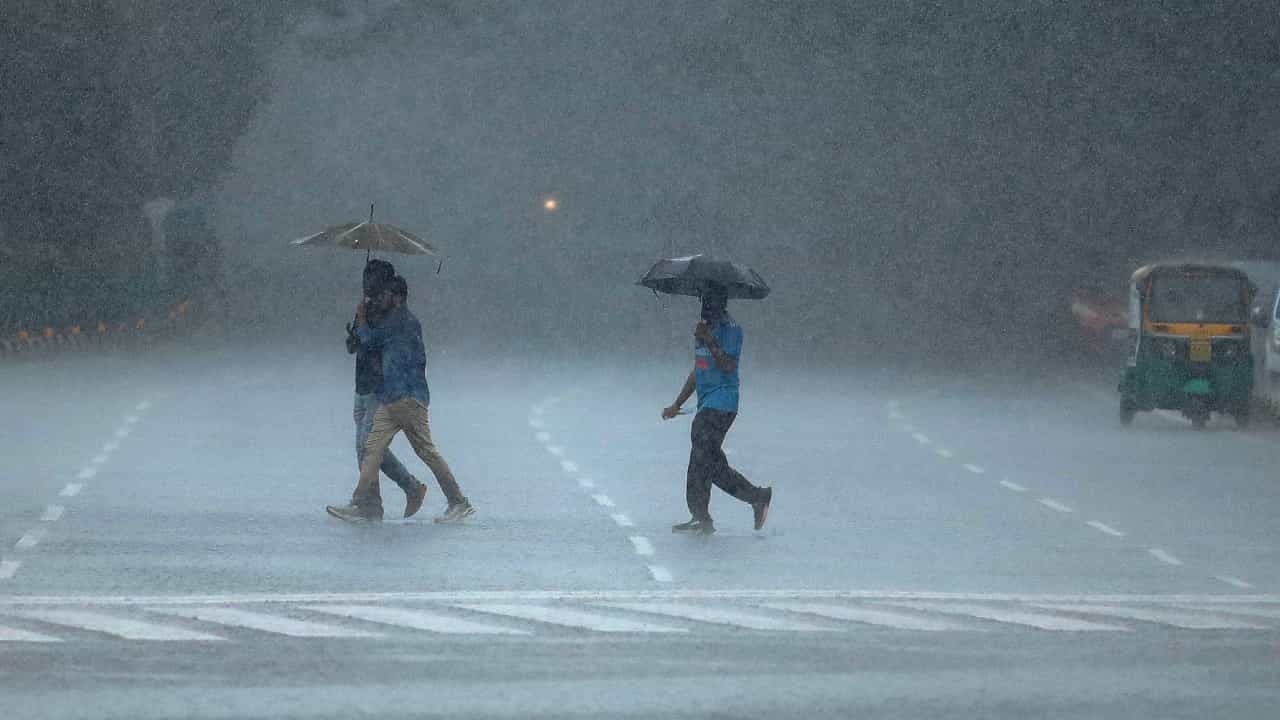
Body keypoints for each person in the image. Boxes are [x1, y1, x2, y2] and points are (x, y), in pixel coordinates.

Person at [327, 276, 475, 523]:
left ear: (397, 298)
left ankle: (458, 501)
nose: (380, 298)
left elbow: (372, 341)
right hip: (391, 398)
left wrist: (362, 320)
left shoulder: (401, 322)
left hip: (409, 398)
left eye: (385, 295)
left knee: (426, 451)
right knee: (370, 449)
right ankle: (361, 503)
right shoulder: (397, 320)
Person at [661, 283, 771, 534]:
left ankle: (704, 515)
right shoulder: (705, 329)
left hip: (722, 404)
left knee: (701, 459)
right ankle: (755, 497)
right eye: (702, 301)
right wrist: (677, 404)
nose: (704, 307)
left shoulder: (731, 330)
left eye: (709, 302)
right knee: (708, 462)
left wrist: (710, 340)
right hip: (706, 404)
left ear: (721, 304)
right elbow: (698, 370)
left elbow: (728, 365)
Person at [345, 259, 428, 519]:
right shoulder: (366, 309)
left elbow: (378, 346)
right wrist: (354, 334)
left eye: (371, 280)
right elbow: (354, 347)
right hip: (362, 386)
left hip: (379, 387)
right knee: (369, 448)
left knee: (366, 446)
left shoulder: (389, 313)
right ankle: (406, 488)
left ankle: (370, 504)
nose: (367, 286)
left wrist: (364, 326)